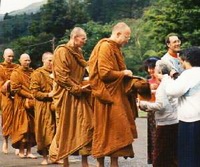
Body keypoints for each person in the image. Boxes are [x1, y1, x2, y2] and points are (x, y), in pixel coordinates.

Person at [89, 22, 151, 167]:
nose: (127, 41)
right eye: (126, 37)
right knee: (105, 130)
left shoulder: (115, 48)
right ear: (117, 34)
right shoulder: (105, 46)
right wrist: (123, 73)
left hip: (116, 94)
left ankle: (114, 163)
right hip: (106, 97)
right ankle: (100, 164)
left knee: (117, 129)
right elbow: (104, 73)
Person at [52, 27, 93, 167]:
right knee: (66, 127)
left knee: (86, 125)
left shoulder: (79, 52)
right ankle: (65, 161)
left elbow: (86, 67)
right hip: (66, 93)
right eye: (83, 39)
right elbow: (61, 76)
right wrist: (76, 88)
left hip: (79, 93)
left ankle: (85, 161)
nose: (85, 41)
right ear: (75, 38)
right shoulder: (62, 51)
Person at [164, 46, 200, 166]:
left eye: (181, 61)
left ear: (186, 60)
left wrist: (166, 79)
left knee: (188, 156)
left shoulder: (188, 74)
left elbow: (172, 91)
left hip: (190, 121)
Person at [139, 60, 178, 167]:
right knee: (172, 154)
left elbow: (160, 106)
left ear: (159, 71)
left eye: (155, 69)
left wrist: (143, 104)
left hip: (166, 122)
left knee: (160, 155)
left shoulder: (163, 85)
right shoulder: (171, 82)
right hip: (174, 120)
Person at [30, 52, 56, 165]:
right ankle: (45, 157)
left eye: (53, 61)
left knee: (56, 131)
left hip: (55, 106)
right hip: (42, 107)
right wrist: (48, 95)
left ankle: (55, 156)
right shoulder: (37, 73)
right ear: (43, 60)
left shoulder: (56, 74)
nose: (51, 63)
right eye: (49, 60)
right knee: (44, 132)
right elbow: (34, 92)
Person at [10, 53, 37, 159]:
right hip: (21, 104)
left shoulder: (33, 72)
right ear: (20, 61)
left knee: (31, 128)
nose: (27, 62)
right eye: (25, 60)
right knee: (23, 128)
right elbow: (16, 88)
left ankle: (29, 151)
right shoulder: (16, 73)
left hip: (32, 104)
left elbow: (36, 84)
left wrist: (34, 94)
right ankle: (21, 150)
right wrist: (29, 95)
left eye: (28, 60)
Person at [0, 48, 19, 153]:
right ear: (4, 56)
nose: (11, 58)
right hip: (5, 96)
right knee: (6, 118)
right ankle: (6, 141)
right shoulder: (0, 68)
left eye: (12, 56)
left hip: (16, 96)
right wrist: (7, 83)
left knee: (17, 118)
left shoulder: (17, 67)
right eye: (9, 56)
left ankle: (16, 143)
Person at [143, 56, 160, 164]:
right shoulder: (147, 81)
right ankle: (154, 160)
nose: (150, 70)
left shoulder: (163, 79)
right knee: (153, 136)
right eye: (148, 68)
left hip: (161, 110)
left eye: (152, 68)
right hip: (151, 111)